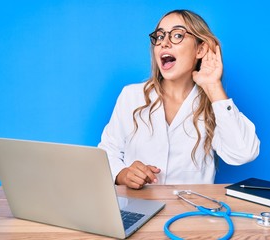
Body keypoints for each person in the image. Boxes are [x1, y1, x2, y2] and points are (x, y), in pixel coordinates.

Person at [98, 9, 260, 189]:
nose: (164, 43)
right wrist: (122, 174)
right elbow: (107, 151)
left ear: (200, 49)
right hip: (137, 208)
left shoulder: (212, 105)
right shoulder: (131, 96)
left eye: (177, 35)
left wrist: (213, 87)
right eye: (159, 37)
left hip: (192, 211)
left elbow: (243, 153)